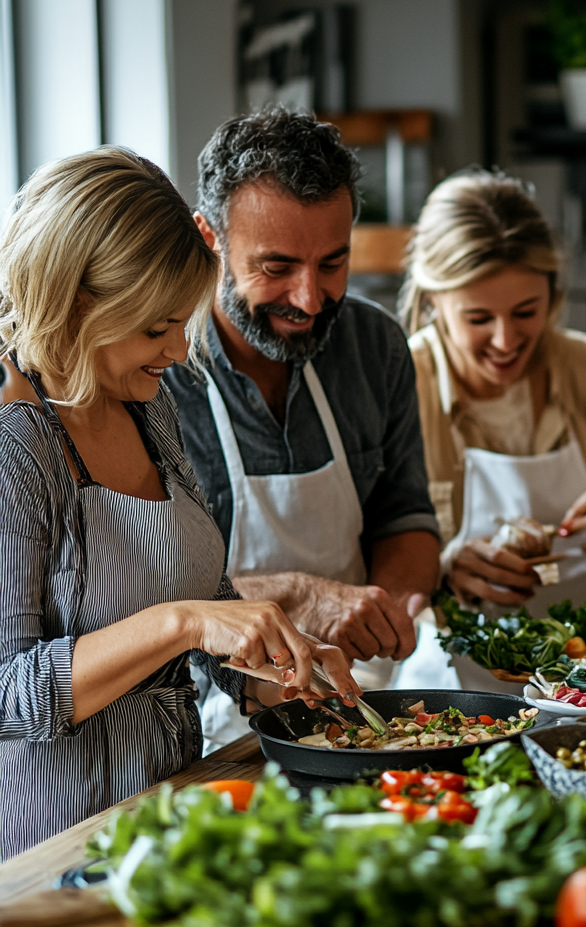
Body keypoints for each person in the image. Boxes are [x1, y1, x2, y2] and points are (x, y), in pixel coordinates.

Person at [0, 148, 357, 859]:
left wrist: (274, 673)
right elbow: (6, 695)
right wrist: (182, 623)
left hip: (164, 817)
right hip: (55, 849)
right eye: (155, 328)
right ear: (79, 303)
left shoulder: (146, 406)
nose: (175, 350)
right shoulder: (17, 442)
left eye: (181, 324)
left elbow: (201, 597)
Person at [163, 108, 440, 751]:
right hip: (206, 726)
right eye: (277, 267)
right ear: (210, 238)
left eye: (333, 262)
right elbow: (151, 598)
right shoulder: (157, 372)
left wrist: (389, 610)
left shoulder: (374, 346)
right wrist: (302, 597)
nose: (310, 299)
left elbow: (404, 514)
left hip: (366, 705)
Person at [403, 169, 586, 619]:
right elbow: (355, 554)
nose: (505, 341)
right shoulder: (400, 384)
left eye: (526, 312)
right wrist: (439, 573)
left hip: (580, 675)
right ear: (433, 303)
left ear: (553, 294)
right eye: (479, 319)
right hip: (439, 681)